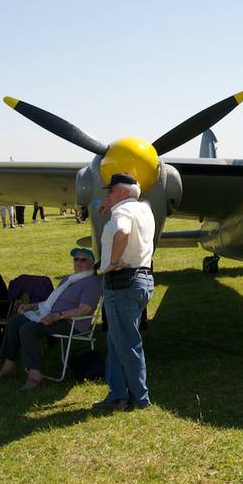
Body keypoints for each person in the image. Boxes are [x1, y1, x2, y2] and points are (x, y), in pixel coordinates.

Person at [0, 247, 101, 390]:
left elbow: (84, 309)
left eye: (83, 260)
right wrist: (31, 306)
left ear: (91, 263)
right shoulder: (69, 279)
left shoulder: (91, 282)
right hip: (51, 315)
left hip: (71, 322)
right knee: (14, 321)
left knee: (28, 328)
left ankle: (34, 374)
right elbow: (50, 302)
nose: (78, 262)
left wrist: (57, 316)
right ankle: (8, 367)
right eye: (76, 259)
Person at [92, 173, 155, 412]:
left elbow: (123, 232)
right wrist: (110, 205)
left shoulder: (122, 213)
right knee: (117, 340)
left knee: (126, 342)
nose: (106, 195)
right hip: (141, 280)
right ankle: (118, 395)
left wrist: (114, 261)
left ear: (123, 192)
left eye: (110, 191)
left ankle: (140, 398)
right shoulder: (143, 209)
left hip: (121, 282)